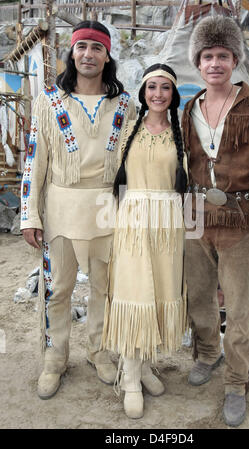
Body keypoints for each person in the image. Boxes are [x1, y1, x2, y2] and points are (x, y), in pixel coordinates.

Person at [20, 20, 136, 400]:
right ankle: (55, 357)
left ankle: (100, 352)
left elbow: (135, 163)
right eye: (82, 46)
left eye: (97, 48)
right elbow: (34, 161)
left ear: (107, 55)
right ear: (72, 52)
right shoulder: (48, 101)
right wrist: (29, 215)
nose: (88, 54)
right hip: (61, 207)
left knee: (105, 288)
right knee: (58, 288)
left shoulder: (126, 105)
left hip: (106, 207)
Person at [181, 16, 249, 427]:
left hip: (242, 218)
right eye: (207, 56)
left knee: (241, 306)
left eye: (223, 55)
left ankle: (237, 380)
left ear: (234, 59)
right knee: (199, 296)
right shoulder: (190, 107)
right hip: (195, 217)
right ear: (198, 61)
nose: (215, 63)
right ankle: (207, 354)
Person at [100, 64, 188, 419]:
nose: (157, 94)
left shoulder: (181, 134)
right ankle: (131, 377)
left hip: (168, 224)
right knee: (135, 294)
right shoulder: (127, 128)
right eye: (151, 86)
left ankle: (145, 363)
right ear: (143, 92)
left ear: (173, 94)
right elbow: (112, 176)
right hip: (133, 220)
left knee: (159, 293)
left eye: (165, 88)